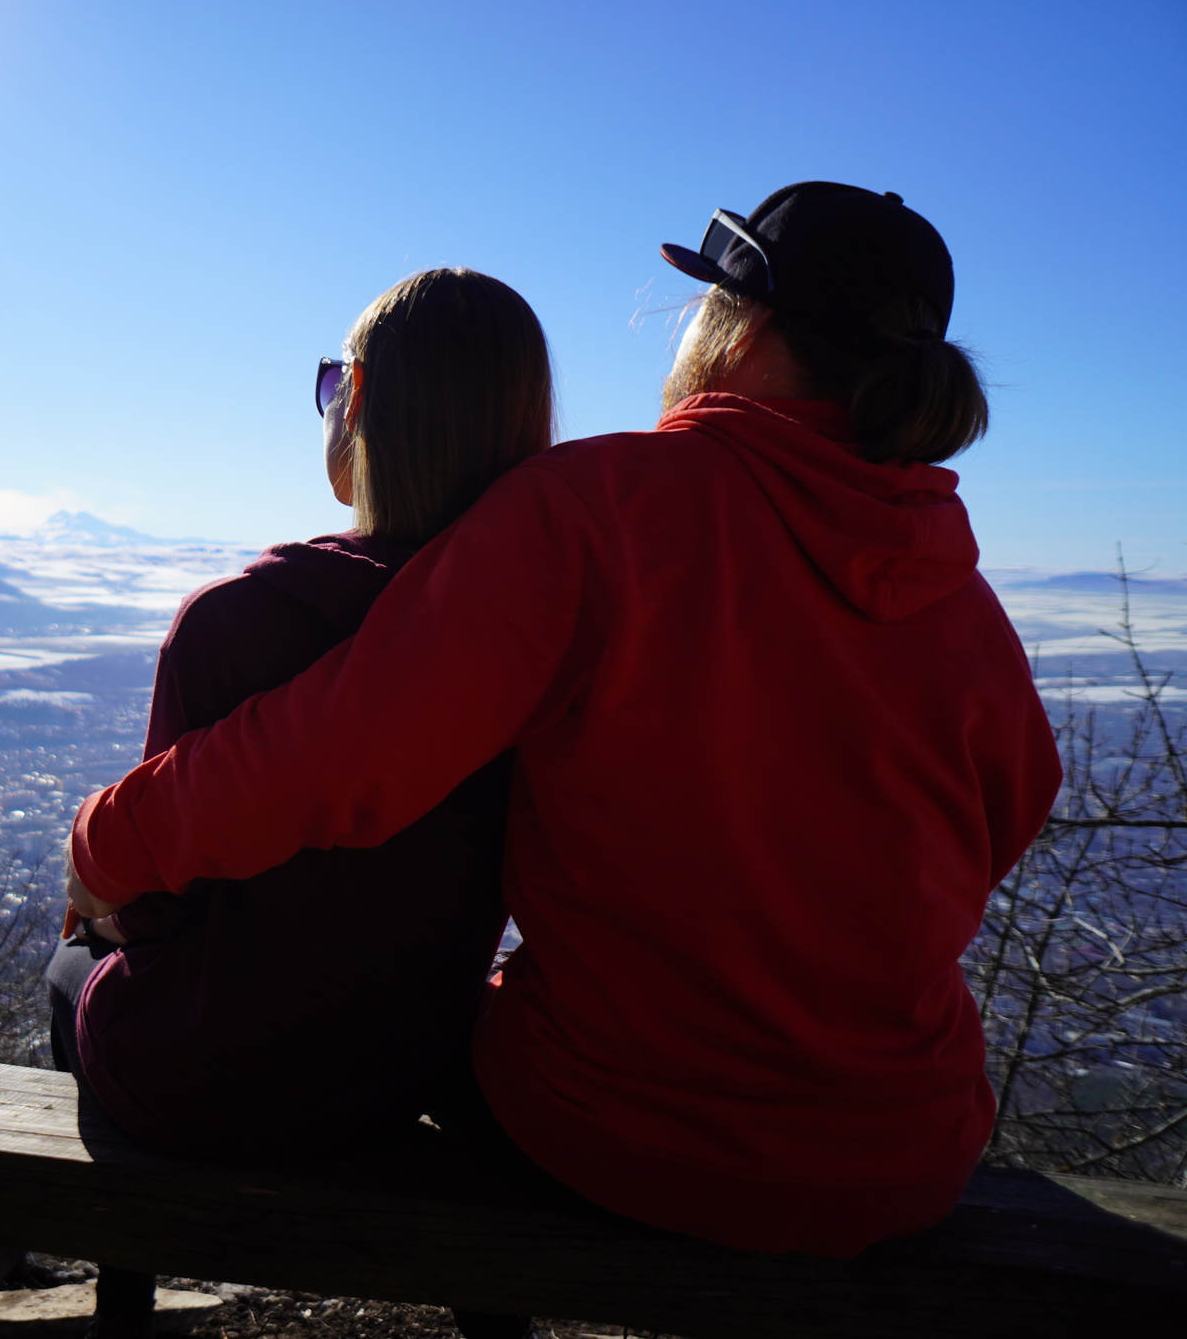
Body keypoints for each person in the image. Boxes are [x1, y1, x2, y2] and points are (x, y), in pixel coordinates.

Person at [65, 183, 1062, 1263]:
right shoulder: (954, 587)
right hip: (911, 1154)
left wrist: (105, 844)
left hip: (626, 1135)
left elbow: (338, 754)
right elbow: (1016, 799)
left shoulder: (609, 505)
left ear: (744, 326)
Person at [46, 267, 554, 1159]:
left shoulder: (238, 621)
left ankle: (118, 1284)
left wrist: (101, 914)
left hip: (195, 1083)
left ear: (355, 399)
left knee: (68, 971)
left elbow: (163, 905)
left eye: (332, 383)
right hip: (405, 1075)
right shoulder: (546, 639)